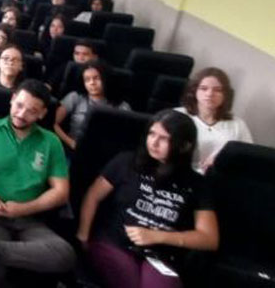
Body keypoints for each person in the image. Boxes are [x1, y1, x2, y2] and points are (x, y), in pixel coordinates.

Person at [0, 79, 75, 285]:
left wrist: (23, 209)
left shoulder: (50, 141)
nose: (22, 114)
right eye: (19, 105)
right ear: (12, 99)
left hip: (30, 218)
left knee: (64, 254)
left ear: (42, 113)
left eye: (31, 111)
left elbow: (61, 192)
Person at [75, 110, 218, 287]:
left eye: (163, 138)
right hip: (114, 243)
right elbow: (93, 196)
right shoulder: (126, 162)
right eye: (151, 134)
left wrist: (159, 236)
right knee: (130, 282)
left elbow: (209, 238)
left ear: (184, 146)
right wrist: (83, 235)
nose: (154, 142)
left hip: (160, 255)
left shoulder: (196, 183)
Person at [175, 68, 252, 174]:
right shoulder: (177, 116)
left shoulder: (238, 124)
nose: (210, 94)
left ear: (225, 95)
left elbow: (248, 158)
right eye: (203, 88)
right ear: (194, 91)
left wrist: (222, 159)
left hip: (221, 179)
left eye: (217, 90)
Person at [54, 60, 131, 151]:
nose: (92, 83)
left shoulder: (122, 106)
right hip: (73, 149)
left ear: (106, 79)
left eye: (96, 78)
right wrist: (71, 142)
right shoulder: (75, 97)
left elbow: (126, 137)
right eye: (87, 79)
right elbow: (54, 123)